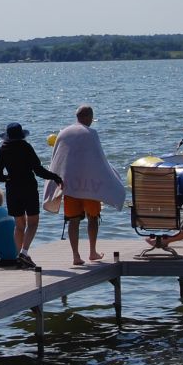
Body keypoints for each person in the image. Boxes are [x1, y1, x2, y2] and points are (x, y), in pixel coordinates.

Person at [42, 105, 126, 266]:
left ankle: (76, 255)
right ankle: (92, 252)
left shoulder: (63, 133)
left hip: (69, 185)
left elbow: (57, 160)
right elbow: (99, 160)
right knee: (92, 218)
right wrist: (112, 177)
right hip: (90, 186)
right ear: (89, 117)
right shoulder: (91, 134)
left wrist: (55, 184)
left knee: (73, 220)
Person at [0, 122, 62, 260]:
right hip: (29, 188)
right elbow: (38, 170)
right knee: (33, 223)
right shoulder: (26, 147)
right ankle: (24, 252)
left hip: (12, 189)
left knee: (19, 225)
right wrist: (55, 177)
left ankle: (20, 256)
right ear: (21, 136)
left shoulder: (2, 150)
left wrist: (8, 178)